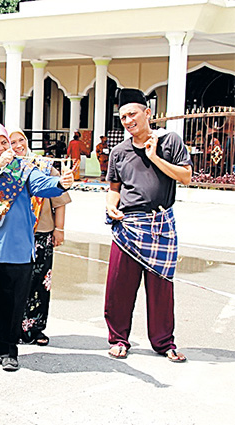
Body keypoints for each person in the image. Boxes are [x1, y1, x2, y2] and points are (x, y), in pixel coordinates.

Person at [0, 123, 73, 372]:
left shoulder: (23, 168)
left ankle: (7, 350)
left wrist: (61, 182)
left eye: (4, 143)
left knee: (12, 302)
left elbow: (42, 185)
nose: (1, 148)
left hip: (16, 248)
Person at [105, 88, 192, 363]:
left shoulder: (170, 141)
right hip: (128, 227)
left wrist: (154, 157)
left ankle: (164, 342)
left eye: (132, 114)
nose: (128, 121)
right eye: (123, 117)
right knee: (118, 287)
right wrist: (111, 204)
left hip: (160, 225)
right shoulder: (119, 152)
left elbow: (186, 176)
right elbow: (114, 188)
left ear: (147, 113)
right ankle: (119, 339)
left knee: (161, 287)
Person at [9, 129, 71, 346]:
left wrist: (59, 229)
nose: (18, 145)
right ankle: (12, 327)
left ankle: (35, 328)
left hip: (42, 232)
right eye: (12, 142)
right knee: (14, 283)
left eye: (21, 140)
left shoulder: (43, 166)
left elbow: (60, 200)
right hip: (14, 235)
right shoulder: (6, 167)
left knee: (40, 282)